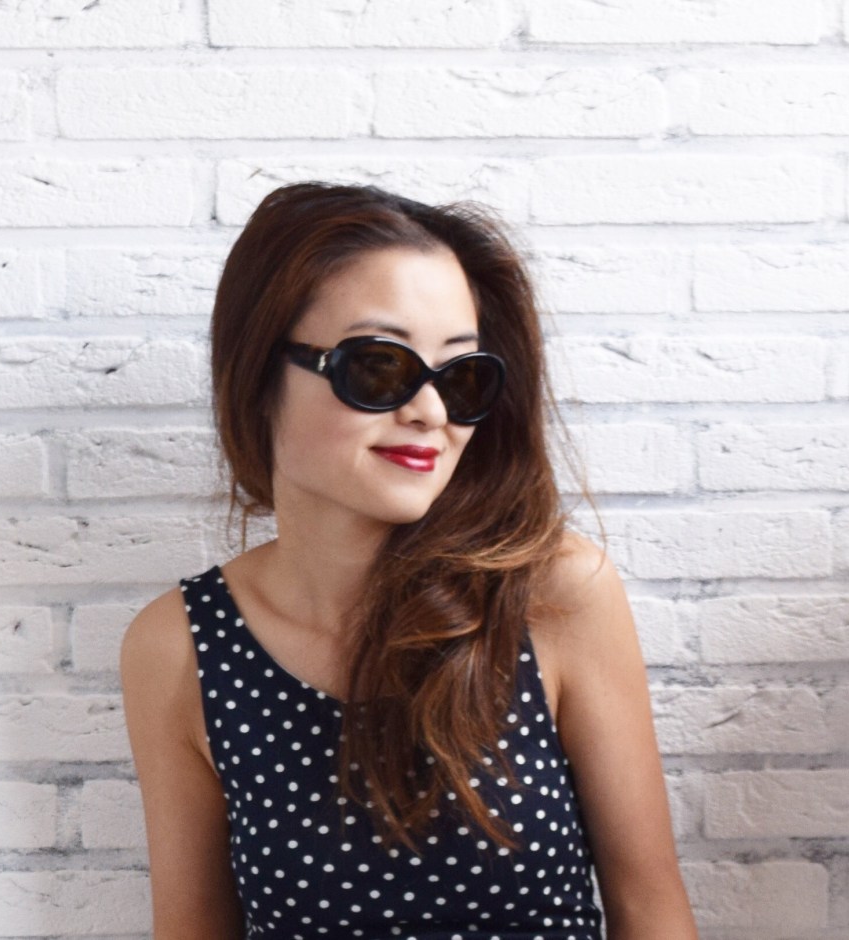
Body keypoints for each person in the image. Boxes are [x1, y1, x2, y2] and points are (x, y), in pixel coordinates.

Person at [120, 181, 698, 940]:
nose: (431, 411)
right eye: (379, 367)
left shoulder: (551, 594)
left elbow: (649, 907)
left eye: (461, 377)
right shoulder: (179, 646)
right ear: (259, 376)